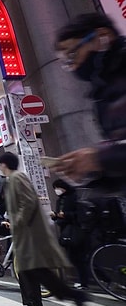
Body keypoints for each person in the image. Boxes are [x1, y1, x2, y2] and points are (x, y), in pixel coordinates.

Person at [0, 152, 87, 306]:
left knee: (36, 270)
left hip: (29, 233)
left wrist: (17, 222)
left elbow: (28, 202)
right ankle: (35, 305)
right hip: (25, 233)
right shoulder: (13, 179)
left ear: (4, 164)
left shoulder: (17, 177)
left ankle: (72, 296)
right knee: (28, 270)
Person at [53, 13, 126, 194]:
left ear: (102, 36)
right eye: (66, 63)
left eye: (73, 54)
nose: (73, 66)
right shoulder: (102, 93)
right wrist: (93, 172)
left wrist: (99, 159)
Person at [51, 179, 90, 289]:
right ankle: (88, 280)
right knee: (77, 258)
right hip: (66, 231)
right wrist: (55, 216)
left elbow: (80, 214)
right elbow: (60, 216)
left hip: (76, 230)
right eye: (55, 188)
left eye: (58, 187)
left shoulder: (74, 197)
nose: (57, 190)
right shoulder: (60, 200)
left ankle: (84, 282)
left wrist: (65, 215)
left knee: (79, 258)